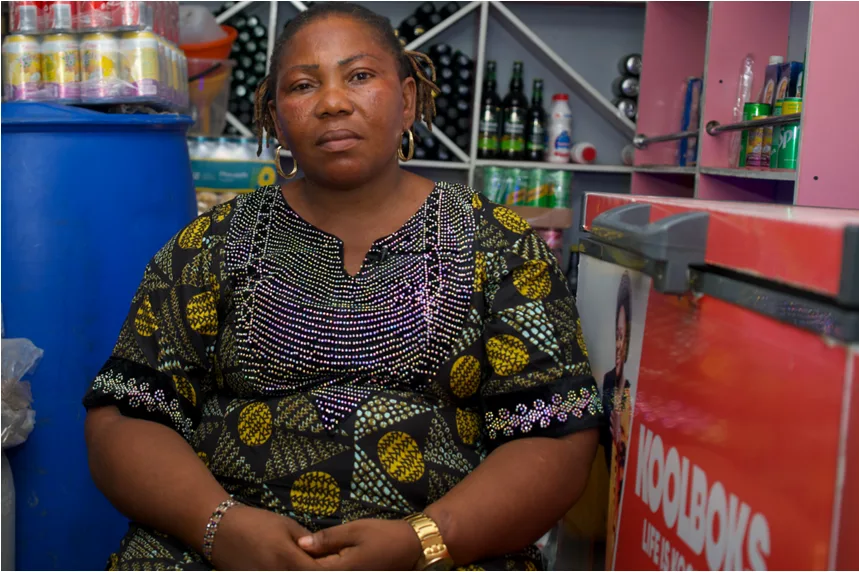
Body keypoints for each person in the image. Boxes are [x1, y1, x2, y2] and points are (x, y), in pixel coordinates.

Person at [83, 3, 601, 570]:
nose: (332, 102)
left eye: (359, 76)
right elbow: (126, 420)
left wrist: (424, 541)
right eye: (304, 85)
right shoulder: (210, 247)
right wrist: (221, 529)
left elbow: (552, 436)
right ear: (277, 117)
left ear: (406, 100)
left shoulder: (497, 246)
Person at [601, 271, 632, 565]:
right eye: (617, 336)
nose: (620, 344)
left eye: (625, 337)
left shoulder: (634, 392)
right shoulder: (610, 381)